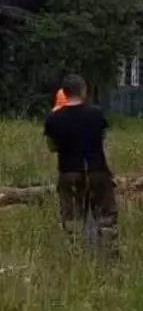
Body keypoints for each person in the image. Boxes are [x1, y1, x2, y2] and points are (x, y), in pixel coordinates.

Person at [42, 74, 118, 255]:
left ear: (64, 93)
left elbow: (52, 146)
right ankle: (109, 255)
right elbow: (103, 139)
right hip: (97, 170)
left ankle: (76, 256)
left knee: (73, 220)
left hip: (69, 171)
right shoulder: (96, 113)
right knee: (105, 217)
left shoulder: (54, 118)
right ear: (83, 90)